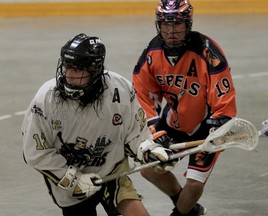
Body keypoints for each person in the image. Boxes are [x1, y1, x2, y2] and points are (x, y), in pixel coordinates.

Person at [22, 33, 178, 216]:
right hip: (72, 181)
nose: (69, 75)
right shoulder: (45, 99)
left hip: (112, 171)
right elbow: (35, 152)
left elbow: (135, 134)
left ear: (94, 70)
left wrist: (149, 150)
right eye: (67, 67)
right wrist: (73, 181)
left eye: (78, 70)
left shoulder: (120, 90)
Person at [132, 0, 237, 215]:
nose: (171, 31)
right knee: (149, 170)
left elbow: (223, 91)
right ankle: (187, 207)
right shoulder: (152, 53)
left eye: (177, 24)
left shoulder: (208, 51)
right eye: (165, 24)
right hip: (172, 124)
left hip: (206, 127)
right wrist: (155, 131)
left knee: (195, 183)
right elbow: (142, 94)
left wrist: (222, 122)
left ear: (188, 24)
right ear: (158, 25)